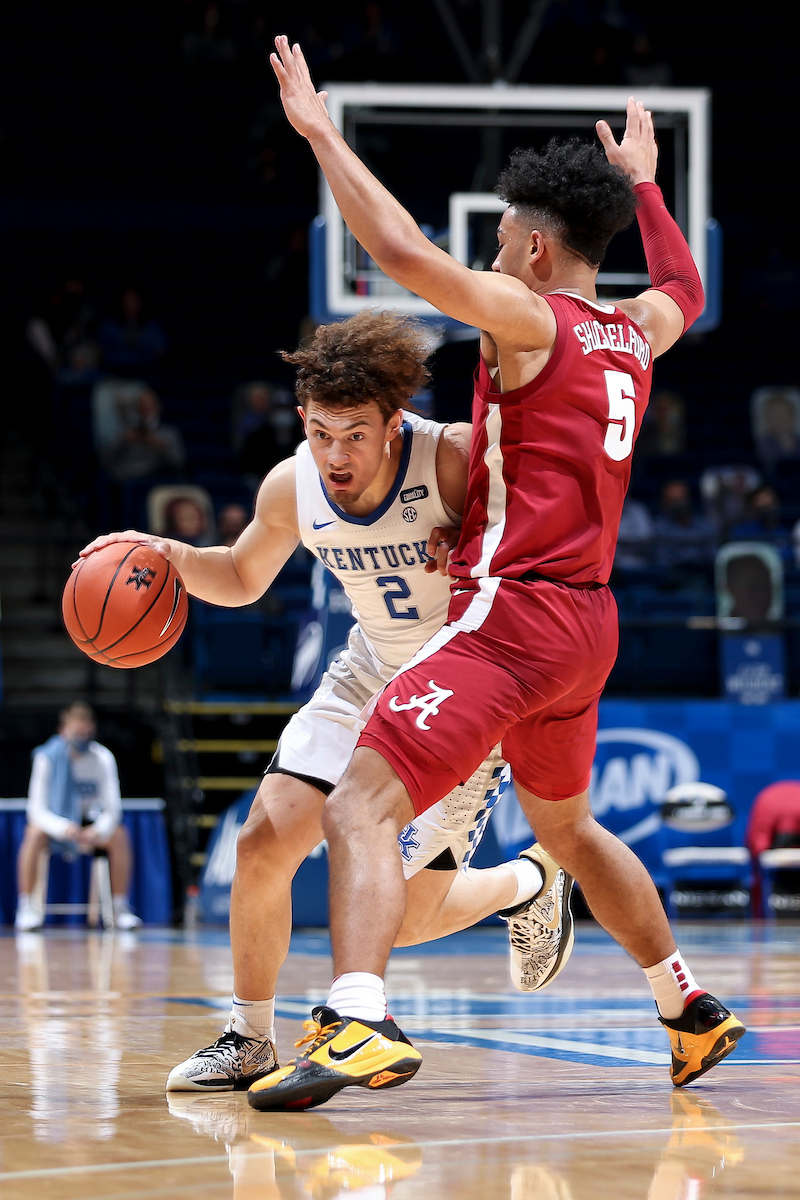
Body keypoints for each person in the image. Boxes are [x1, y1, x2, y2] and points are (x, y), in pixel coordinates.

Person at [251, 40, 745, 1111]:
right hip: (586, 626)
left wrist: (322, 134)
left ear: (526, 243)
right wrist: (650, 188)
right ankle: (685, 1005)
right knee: (564, 827)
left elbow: (394, 247)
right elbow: (684, 287)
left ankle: (358, 1017)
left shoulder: (528, 319)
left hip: (507, 617)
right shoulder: (634, 333)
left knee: (360, 806)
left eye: (497, 238)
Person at [79, 308, 575, 1092]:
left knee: (404, 922)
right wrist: (172, 556)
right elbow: (242, 579)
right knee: (261, 844)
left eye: (354, 435)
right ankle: (249, 1036)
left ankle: (533, 883)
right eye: (320, 432)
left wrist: (477, 539)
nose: (335, 455)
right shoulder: (293, 484)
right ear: (302, 418)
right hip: (370, 669)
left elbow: (543, 540)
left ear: (394, 421)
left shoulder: (450, 459)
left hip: (462, 688)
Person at [14, 702, 141, 933]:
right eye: (77, 733)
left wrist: (98, 830)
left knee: (120, 834)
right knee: (32, 833)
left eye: (86, 732)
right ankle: (26, 908)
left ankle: (120, 907)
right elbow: (36, 809)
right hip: (59, 825)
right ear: (64, 730)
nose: (82, 738)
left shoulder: (102, 757)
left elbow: (113, 809)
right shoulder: (47, 757)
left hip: (90, 823)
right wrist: (64, 828)